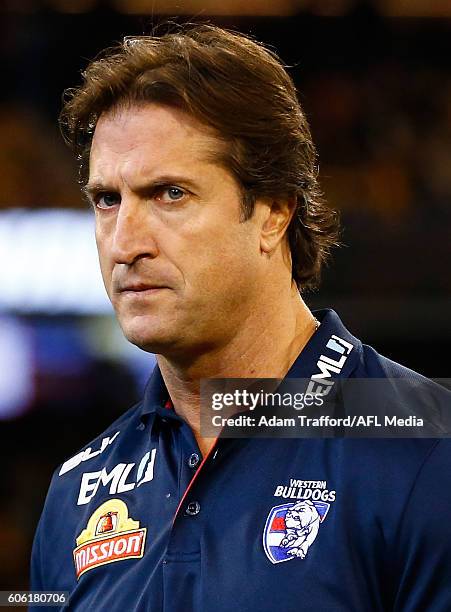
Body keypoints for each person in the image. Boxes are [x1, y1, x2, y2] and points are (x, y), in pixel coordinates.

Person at [30, 25, 451, 611]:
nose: (125, 242)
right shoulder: (74, 494)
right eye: (107, 200)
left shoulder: (428, 448)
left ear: (274, 212)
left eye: (169, 194)